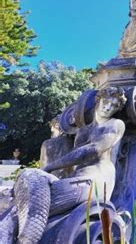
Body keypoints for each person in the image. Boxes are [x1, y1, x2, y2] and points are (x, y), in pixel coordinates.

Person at [0, 87, 127, 243]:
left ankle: (27, 238)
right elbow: (72, 160)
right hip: (76, 181)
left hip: (94, 183)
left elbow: (92, 150)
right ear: (98, 100)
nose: (108, 107)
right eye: (106, 102)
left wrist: (50, 167)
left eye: (114, 105)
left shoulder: (115, 124)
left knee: (22, 207)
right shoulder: (83, 131)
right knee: (21, 199)